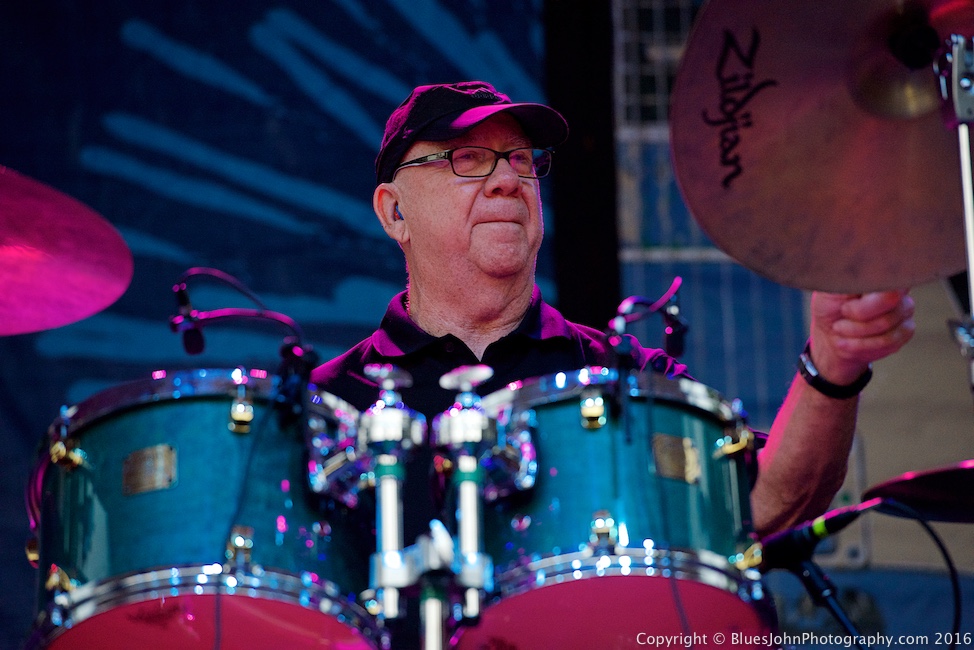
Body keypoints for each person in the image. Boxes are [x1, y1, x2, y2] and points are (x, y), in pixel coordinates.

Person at [310, 79, 914, 630]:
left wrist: (832, 367)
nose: (507, 180)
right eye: (467, 159)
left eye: (521, 160)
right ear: (395, 212)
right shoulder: (330, 409)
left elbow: (766, 502)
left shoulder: (626, 377)